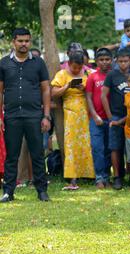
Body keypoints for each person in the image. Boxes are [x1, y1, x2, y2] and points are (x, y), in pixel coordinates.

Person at [0, 28, 51, 202]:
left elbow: (45, 89)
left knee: (37, 154)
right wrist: (0, 117)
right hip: (12, 116)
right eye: (20, 41)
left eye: (27, 41)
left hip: (34, 115)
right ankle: (8, 192)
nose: (24, 44)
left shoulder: (38, 63)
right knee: (12, 155)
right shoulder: (3, 63)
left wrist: (46, 116)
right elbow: (0, 93)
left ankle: (42, 191)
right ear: (13, 42)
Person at [51, 52, 95, 190]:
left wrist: (85, 88)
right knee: (71, 144)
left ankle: (89, 175)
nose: (77, 70)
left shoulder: (88, 73)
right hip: (70, 113)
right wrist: (67, 86)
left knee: (87, 143)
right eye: (74, 67)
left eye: (79, 67)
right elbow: (53, 93)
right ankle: (73, 177)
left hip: (86, 112)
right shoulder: (62, 74)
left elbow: (94, 91)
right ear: (69, 64)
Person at [102, 48, 130, 190]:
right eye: (120, 61)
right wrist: (109, 117)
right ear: (116, 61)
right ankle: (117, 177)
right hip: (116, 115)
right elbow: (103, 96)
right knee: (115, 147)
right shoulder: (112, 75)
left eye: (126, 61)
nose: (123, 64)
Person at [85, 48, 113, 189]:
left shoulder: (113, 76)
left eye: (107, 59)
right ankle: (99, 177)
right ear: (96, 61)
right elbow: (88, 98)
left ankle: (108, 176)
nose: (104, 62)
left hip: (111, 119)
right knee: (98, 148)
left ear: (111, 60)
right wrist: (94, 115)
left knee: (110, 148)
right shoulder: (92, 77)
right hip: (96, 120)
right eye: (101, 60)